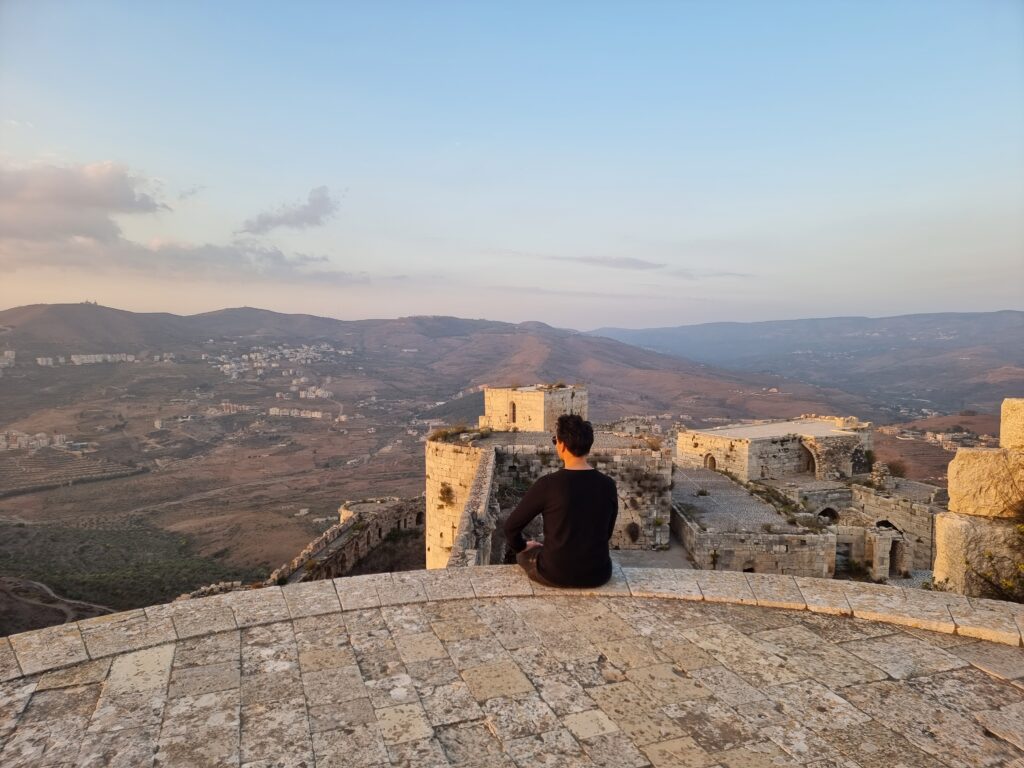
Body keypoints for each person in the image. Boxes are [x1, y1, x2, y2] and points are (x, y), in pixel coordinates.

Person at [504, 413, 618, 588]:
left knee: (524, 554)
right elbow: (607, 533)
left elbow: (511, 528)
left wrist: (522, 546)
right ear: (588, 446)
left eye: (555, 440)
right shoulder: (608, 485)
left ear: (562, 445)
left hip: (554, 574)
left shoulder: (547, 485)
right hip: (598, 573)